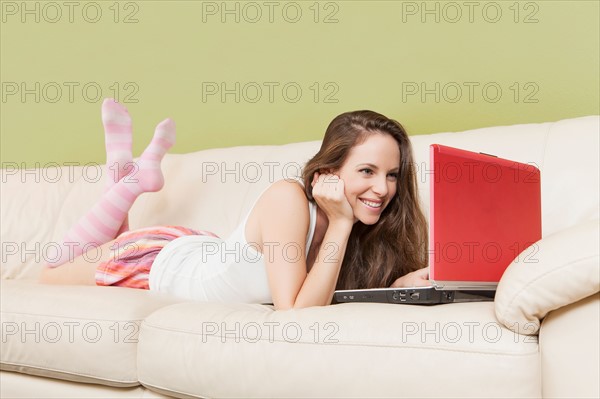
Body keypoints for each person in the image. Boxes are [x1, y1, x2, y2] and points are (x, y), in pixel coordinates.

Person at [39, 99, 430, 310]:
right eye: (367, 171)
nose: (382, 189)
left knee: (87, 258)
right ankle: (124, 185)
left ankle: (122, 175)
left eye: (392, 175)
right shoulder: (288, 200)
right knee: (49, 274)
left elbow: (332, 293)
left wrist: (394, 284)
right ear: (327, 172)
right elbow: (295, 311)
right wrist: (342, 223)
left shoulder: (369, 231)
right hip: (158, 262)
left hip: (204, 249)